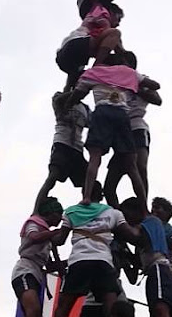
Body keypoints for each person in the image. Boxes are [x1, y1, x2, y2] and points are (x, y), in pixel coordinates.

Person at [43, 187, 143, 317]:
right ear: (102, 196)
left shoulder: (71, 212)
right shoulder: (113, 213)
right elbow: (132, 236)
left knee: (62, 312)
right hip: (103, 263)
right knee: (112, 312)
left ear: (84, 193)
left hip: (79, 262)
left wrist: (45, 233)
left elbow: (60, 240)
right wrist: (142, 226)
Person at [60, 55, 160, 207]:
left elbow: (157, 98)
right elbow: (155, 85)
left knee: (135, 167)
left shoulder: (105, 74)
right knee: (118, 176)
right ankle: (121, 213)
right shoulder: (127, 75)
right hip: (121, 120)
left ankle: (141, 207)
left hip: (131, 125)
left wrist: (67, 102)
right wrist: (124, 78)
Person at [13, 201, 70, 317]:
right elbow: (34, 236)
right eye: (59, 215)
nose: (60, 219)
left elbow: (52, 265)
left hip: (36, 273)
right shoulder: (35, 224)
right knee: (34, 310)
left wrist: (70, 261)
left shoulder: (48, 236)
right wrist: (54, 233)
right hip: (25, 270)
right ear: (51, 213)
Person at [103, 53, 160, 207]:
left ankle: (143, 209)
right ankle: (119, 216)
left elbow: (157, 99)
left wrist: (135, 88)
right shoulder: (113, 84)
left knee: (140, 167)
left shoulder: (141, 79)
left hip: (137, 127)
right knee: (109, 186)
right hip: (120, 132)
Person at [37, 92, 92, 208]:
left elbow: (93, 123)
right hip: (62, 143)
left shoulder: (85, 108)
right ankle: (36, 209)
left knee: (89, 181)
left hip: (77, 148)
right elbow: (58, 101)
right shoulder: (61, 98)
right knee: (53, 176)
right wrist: (75, 90)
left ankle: (88, 208)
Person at [55, 3, 126, 93]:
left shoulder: (96, 34)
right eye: (118, 19)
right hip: (75, 44)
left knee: (79, 72)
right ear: (112, 12)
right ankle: (96, 68)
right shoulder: (102, 12)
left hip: (66, 60)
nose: (118, 23)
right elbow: (115, 41)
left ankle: (68, 90)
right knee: (115, 33)